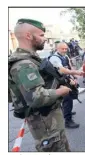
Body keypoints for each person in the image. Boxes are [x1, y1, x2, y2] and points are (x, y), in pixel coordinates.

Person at [8, 18, 72, 151]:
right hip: (46, 125)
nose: (45, 39)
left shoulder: (31, 59)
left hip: (50, 121)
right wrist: (62, 91)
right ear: (28, 36)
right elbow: (36, 97)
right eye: (41, 35)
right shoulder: (24, 64)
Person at [49, 42, 83, 129]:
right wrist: (75, 73)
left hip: (66, 80)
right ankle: (68, 121)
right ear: (57, 49)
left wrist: (74, 77)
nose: (64, 50)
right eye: (62, 49)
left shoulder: (66, 56)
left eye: (65, 49)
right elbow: (63, 70)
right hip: (59, 82)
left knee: (70, 97)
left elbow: (70, 67)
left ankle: (67, 111)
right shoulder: (54, 58)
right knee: (67, 100)